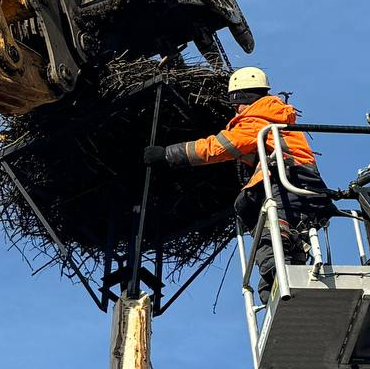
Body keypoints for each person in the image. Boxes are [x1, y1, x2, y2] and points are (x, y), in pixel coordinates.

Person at [143, 66, 335, 298]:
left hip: (286, 187)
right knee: (288, 249)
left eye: (236, 105)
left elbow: (217, 147)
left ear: (245, 98)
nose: (235, 110)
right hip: (305, 191)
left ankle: (283, 295)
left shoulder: (257, 120)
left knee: (270, 246)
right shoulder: (279, 122)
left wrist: (167, 154)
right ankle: (289, 295)